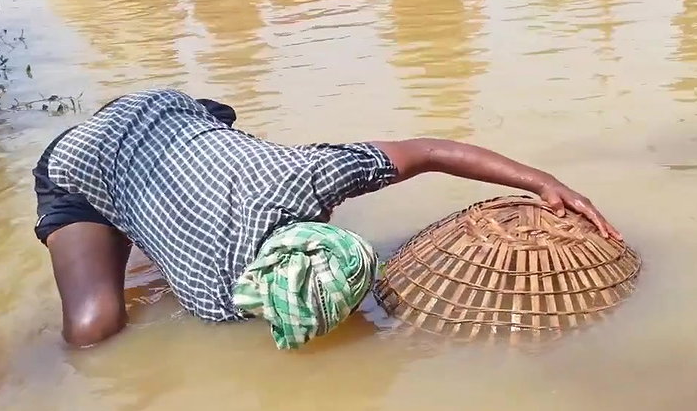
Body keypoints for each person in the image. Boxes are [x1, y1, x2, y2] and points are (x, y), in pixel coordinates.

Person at [34, 89, 619, 349]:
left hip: (180, 112)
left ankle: (153, 200)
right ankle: (112, 214)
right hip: (86, 157)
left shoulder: (309, 174)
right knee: (94, 330)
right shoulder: (211, 299)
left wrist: (546, 183)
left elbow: (431, 152)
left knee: (160, 220)